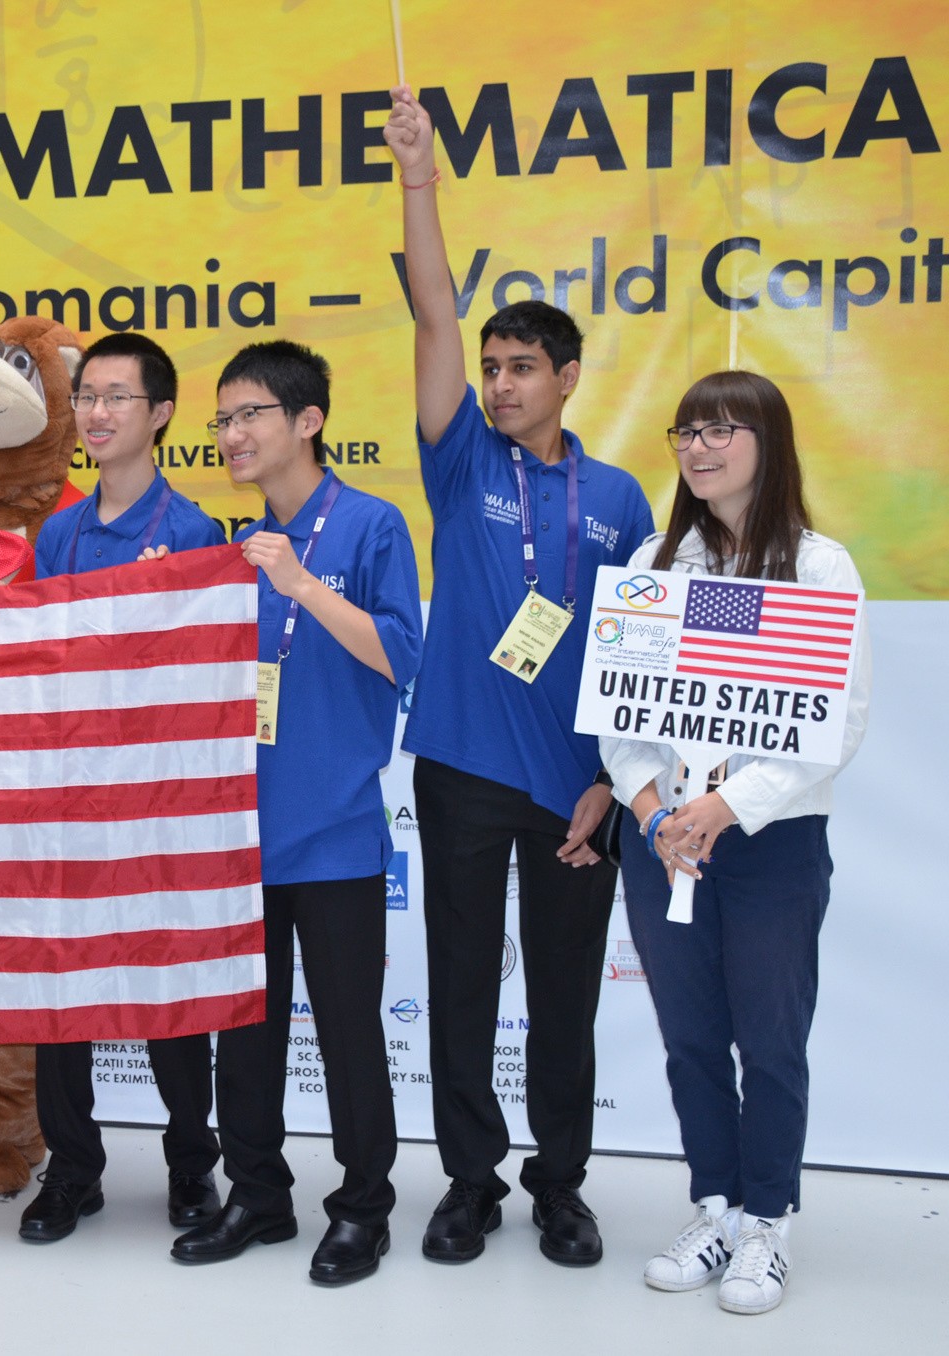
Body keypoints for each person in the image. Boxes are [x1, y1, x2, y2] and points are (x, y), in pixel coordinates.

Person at [385, 86, 656, 1268]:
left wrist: (609, 782)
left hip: (575, 788)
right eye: (490, 367)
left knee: (562, 997)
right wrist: (417, 177)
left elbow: (640, 660)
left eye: (520, 368)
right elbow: (430, 315)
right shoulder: (459, 462)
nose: (497, 384)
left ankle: (559, 1186)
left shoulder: (622, 501)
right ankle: (467, 1184)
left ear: (567, 377)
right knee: (459, 988)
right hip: (458, 768)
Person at [604, 370, 870, 1315]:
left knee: (770, 1040)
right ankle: (714, 1208)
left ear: (769, 443)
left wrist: (727, 807)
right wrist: (651, 813)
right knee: (689, 1039)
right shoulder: (653, 562)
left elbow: (835, 722)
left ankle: (767, 1223)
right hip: (662, 841)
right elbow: (620, 712)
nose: (699, 448)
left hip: (769, 844)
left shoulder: (818, 568)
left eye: (722, 430)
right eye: (687, 432)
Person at [170, 341, 422, 1286]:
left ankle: (363, 1208)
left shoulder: (369, 525)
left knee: (351, 1034)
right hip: (244, 831)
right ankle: (258, 1196)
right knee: (247, 1031)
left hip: (338, 830)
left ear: (307, 421)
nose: (232, 435)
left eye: (250, 415)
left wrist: (303, 586)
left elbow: (401, 657)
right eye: (222, 419)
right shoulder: (234, 547)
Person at [16, 332, 229, 1243]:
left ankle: (191, 1162)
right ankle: (73, 1167)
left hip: (157, 804)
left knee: (167, 986)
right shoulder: (58, 534)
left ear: (161, 414)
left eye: (117, 397)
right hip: (67, 799)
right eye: (86, 397)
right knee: (62, 989)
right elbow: (33, 666)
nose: (96, 414)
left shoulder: (196, 533)